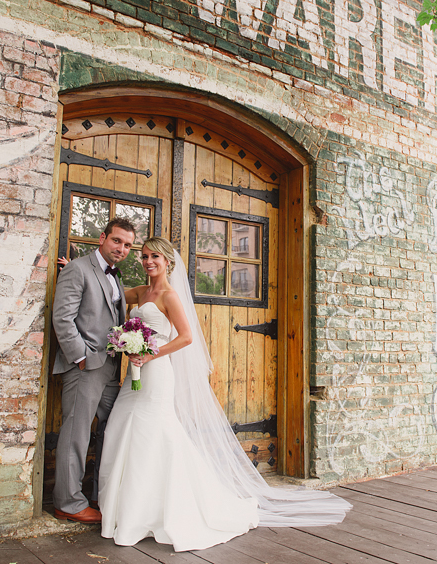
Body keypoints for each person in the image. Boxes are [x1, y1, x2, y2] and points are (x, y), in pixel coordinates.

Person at [98, 238, 350, 552]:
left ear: (168, 262)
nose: (149, 262)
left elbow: (187, 337)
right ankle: (129, 508)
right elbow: (107, 292)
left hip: (157, 372)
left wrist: (150, 353)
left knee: (154, 435)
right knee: (124, 429)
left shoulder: (169, 295)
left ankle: (165, 508)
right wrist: (84, 274)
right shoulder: (140, 291)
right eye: (146, 256)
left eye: (156, 257)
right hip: (136, 375)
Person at [51, 217, 136, 524]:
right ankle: (69, 503)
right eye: (117, 241)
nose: (122, 248)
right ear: (102, 238)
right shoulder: (78, 268)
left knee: (110, 434)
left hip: (113, 368)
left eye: (127, 245)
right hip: (85, 367)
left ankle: (102, 496)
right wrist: (80, 357)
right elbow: (62, 318)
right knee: (76, 435)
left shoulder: (118, 276)